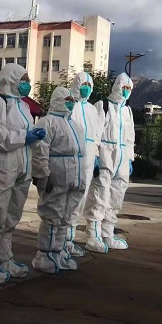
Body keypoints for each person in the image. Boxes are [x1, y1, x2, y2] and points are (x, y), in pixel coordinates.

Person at [0, 63, 46, 284]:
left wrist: (34, 136)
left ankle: (4, 259)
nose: (27, 83)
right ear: (11, 79)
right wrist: (24, 137)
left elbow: (22, 133)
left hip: (22, 164)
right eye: (23, 79)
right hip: (2, 163)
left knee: (11, 215)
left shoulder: (23, 106)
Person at [31, 86, 86, 273]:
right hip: (56, 177)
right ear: (58, 100)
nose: (70, 103)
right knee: (52, 216)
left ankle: (58, 251)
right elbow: (39, 150)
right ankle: (44, 255)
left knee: (66, 217)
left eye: (72, 100)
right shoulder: (47, 122)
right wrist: (43, 174)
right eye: (67, 100)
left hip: (74, 178)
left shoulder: (74, 125)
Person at [84, 73, 135, 253]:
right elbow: (95, 133)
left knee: (115, 198)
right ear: (117, 86)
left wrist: (129, 158)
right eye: (124, 87)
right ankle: (93, 236)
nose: (126, 91)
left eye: (129, 88)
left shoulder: (127, 110)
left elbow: (130, 137)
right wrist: (96, 155)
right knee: (99, 197)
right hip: (106, 155)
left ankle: (108, 234)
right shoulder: (103, 106)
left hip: (121, 159)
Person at [66, 72, 102, 257]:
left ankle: (69, 240)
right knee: (68, 199)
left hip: (88, 159)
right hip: (71, 157)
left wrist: (96, 156)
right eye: (83, 84)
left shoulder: (92, 110)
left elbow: (96, 135)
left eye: (89, 85)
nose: (86, 88)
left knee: (80, 198)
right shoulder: (69, 104)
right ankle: (62, 241)